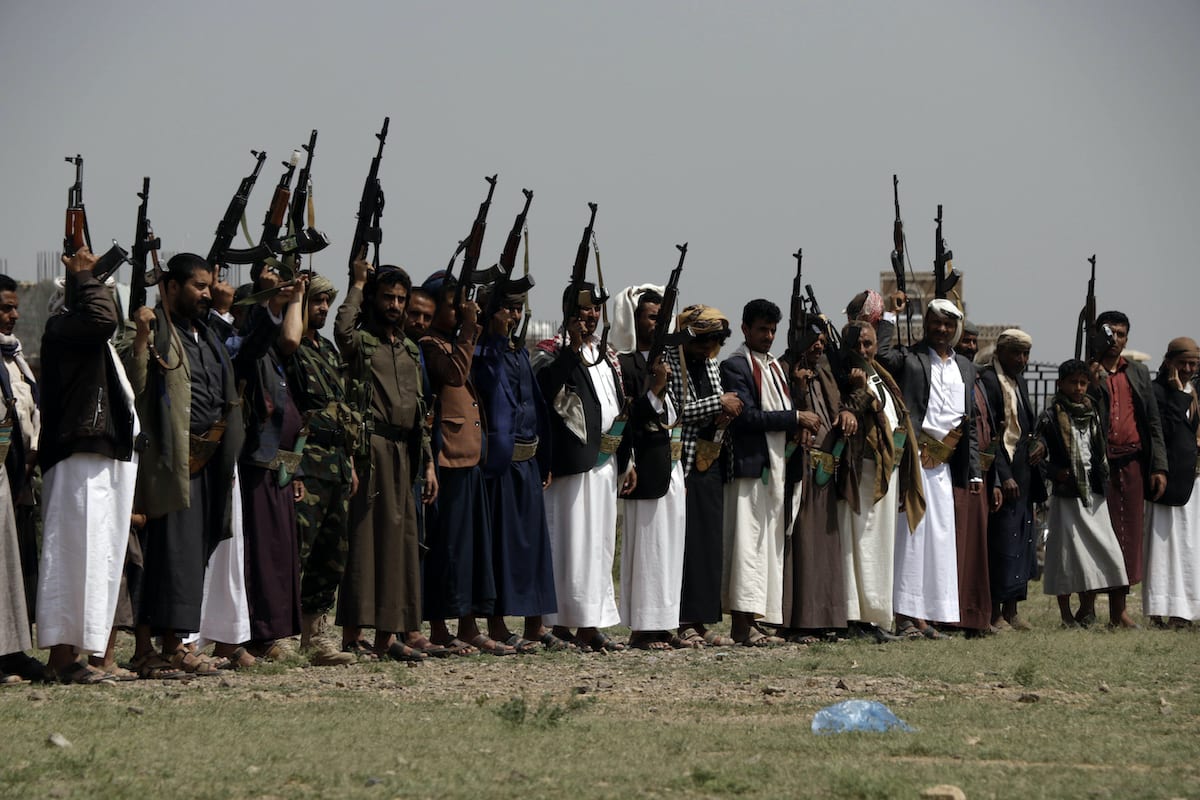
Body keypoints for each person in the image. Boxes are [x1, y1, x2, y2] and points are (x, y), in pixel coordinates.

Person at [122, 253, 247, 676]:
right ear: (171, 287)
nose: (207, 293)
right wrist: (141, 336)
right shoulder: (154, 328)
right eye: (198, 286)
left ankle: (177, 643)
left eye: (209, 286)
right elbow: (135, 385)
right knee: (162, 555)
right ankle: (147, 649)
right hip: (170, 463)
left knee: (192, 554)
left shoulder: (207, 333)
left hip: (209, 461)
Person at [34, 248, 140, 683]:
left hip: (105, 459)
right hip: (79, 459)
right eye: (99, 292)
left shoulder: (95, 345)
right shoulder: (64, 329)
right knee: (73, 555)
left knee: (103, 557)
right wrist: (82, 274)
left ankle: (95, 657)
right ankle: (62, 659)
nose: (108, 301)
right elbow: (102, 319)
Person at [334, 254, 437, 662]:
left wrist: (427, 462)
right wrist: (357, 286)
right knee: (364, 541)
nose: (394, 306)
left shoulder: (411, 349)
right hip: (369, 449)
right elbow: (341, 330)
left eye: (400, 299)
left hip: (404, 454)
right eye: (388, 298)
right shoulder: (362, 341)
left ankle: (387, 635)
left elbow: (419, 409)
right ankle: (353, 635)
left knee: (400, 544)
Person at [876, 295, 981, 639]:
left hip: (944, 464)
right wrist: (891, 315)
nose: (941, 329)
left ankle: (930, 616)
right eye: (936, 322)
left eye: (948, 324)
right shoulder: (911, 357)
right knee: (912, 536)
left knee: (939, 539)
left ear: (956, 328)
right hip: (915, 459)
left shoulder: (964, 366)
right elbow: (880, 355)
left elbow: (971, 422)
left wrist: (975, 469)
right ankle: (906, 615)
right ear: (927, 324)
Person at [533, 281, 629, 652]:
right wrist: (571, 351)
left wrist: (626, 458)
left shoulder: (607, 355)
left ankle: (590, 622)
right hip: (569, 466)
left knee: (600, 545)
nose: (591, 317)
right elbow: (546, 387)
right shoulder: (550, 351)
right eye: (584, 310)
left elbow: (617, 405)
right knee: (570, 544)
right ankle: (561, 624)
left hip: (605, 462)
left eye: (595, 310)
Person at [420, 275, 509, 656]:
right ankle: (440, 627)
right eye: (453, 304)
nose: (460, 311)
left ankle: (469, 624)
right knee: (448, 549)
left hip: (469, 457)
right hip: (447, 458)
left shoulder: (456, 343)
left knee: (472, 549)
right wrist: (471, 328)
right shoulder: (429, 345)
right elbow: (453, 374)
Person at [720, 299, 814, 646]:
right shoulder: (735, 366)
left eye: (773, 330)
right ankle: (741, 627)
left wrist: (796, 424)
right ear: (746, 329)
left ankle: (758, 621)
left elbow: (781, 410)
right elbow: (746, 417)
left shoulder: (774, 367)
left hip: (776, 469)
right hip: (749, 469)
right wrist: (795, 418)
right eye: (762, 329)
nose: (768, 336)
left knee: (766, 548)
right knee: (747, 546)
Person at [472, 280, 560, 651]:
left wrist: (545, 458)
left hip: (528, 463)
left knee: (535, 549)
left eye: (518, 309)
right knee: (501, 549)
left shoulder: (519, 353)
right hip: (499, 466)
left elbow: (536, 407)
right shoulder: (482, 354)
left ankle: (536, 625)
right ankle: (495, 625)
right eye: (507, 308)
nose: (514, 315)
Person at [280, 273, 357, 665]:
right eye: (315, 302)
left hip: (336, 463)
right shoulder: (287, 345)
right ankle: (281, 634)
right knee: (296, 550)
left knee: (332, 553)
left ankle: (316, 635)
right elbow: (285, 414)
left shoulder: (326, 349)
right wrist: (288, 470)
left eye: (327, 302)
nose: (323, 309)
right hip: (304, 462)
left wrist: (351, 464)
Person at [230, 271, 307, 661]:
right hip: (254, 468)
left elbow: (291, 419)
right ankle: (260, 635)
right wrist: (273, 302)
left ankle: (278, 634)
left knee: (281, 555)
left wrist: (293, 469)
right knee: (259, 555)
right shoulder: (243, 351)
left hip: (279, 471)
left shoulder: (274, 357)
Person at [836, 321, 924, 642]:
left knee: (880, 546)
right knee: (858, 544)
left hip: (887, 471)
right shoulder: (846, 375)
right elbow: (848, 413)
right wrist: (857, 389)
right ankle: (855, 616)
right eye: (858, 345)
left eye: (869, 344)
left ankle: (876, 617)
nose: (863, 350)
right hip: (862, 472)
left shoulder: (880, 375)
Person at [613, 288, 688, 650]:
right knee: (647, 549)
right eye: (650, 316)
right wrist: (656, 388)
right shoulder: (626, 364)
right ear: (635, 320)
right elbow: (628, 415)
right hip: (642, 467)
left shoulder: (673, 361)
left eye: (661, 316)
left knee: (669, 548)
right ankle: (643, 627)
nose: (657, 323)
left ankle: (664, 623)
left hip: (670, 465)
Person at [664, 305, 741, 647]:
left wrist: (724, 412)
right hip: (681, 465)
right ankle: (682, 621)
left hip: (711, 460)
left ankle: (702, 620)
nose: (709, 349)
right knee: (687, 547)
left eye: (714, 342)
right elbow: (675, 413)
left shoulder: (710, 364)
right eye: (703, 340)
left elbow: (715, 403)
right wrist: (717, 405)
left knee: (708, 546)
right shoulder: (670, 361)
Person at [1088, 311, 1168, 627]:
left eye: (1121, 334)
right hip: (1096, 466)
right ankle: (1087, 608)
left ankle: (1118, 611)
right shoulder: (1087, 372)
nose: (1116, 340)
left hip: (1132, 463)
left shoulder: (1137, 372)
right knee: (1094, 536)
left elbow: (1152, 421)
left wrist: (1158, 466)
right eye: (1110, 334)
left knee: (1127, 538)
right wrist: (1092, 379)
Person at [1038, 359, 1128, 627]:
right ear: (1060, 384)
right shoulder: (1050, 416)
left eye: (1083, 382)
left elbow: (1097, 451)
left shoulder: (1093, 412)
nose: (1078, 388)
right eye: (1073, 382)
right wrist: (1056, 471)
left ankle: (1089, 609)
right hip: (1067, 496)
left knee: (1106, 552)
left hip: (1094, 494)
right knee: (1065, 556)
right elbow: (1035, 450)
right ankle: (1066, 615)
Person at [781, 318, 850, 641]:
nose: (819, 346)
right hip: (798, 469)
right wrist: (796, 387)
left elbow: (842, 402)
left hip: (826, 468)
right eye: (812, 339)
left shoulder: (824, 372)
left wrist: (847, 413)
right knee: (802, 547)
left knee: (825, 547)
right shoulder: (784, 369)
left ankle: (825, 618)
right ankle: (798, 622)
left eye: (822, 340)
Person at [978, 330, 1046, 630]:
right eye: (1016, 353)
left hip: (1024, 473)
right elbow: (991, 433)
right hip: (1003, 474)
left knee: (1023, 543)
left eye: (1026, 354)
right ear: (1001, 353)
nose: (1022, 360)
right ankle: (994, 613)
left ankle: (1012, 610)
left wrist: (1039, 445)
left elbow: (1026, 428)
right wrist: (1002, 475)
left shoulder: (1018, 383)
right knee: (1002, 543)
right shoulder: (991, 381)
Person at [1143, 338, 1200, 626]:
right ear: (1169, 362)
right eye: (1183, 364)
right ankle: (1157, 610)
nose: (1189, 369)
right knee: (1163, 549)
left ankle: (1184, 612)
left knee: (1189, 548)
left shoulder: (1195, 391)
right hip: (1166, 480)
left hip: (1192, 482)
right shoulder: (1158, 392)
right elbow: (1161, 432)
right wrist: (1178, 395)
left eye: (1193, 364)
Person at [0, 273, 40, 625]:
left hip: (21, 476)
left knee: (20, 568)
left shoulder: (15, 357)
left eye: (15, 308)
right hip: (4, 473)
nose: (13, 316)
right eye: (5, 309)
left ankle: (16, 651)